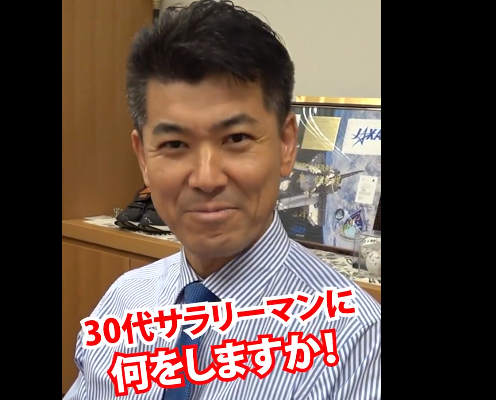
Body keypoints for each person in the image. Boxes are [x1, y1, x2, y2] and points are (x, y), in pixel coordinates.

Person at [63, 1, 381, 399]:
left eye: (236, 139)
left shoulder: (357, 341)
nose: (207, 178)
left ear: (287, 144)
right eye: (174, 144)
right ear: (143, 157)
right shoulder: (124, 302)